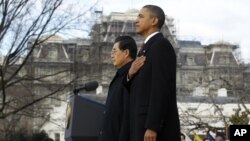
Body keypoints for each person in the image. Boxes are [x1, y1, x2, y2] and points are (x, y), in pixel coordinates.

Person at [126, 4, 180, 141]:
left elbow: (161, 88)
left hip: (152, 131)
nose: (136, 20)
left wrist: (153, 126)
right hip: (139, 125)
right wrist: (130, 75)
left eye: (141, 16)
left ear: (154, 21)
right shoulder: (145, 49)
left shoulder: (161, 45)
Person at [99, 36, 138, 141]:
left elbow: (127, 116)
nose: (111, 55)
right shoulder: (120, 76)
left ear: (126, 53)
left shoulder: (131, 77)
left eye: (114, 51)